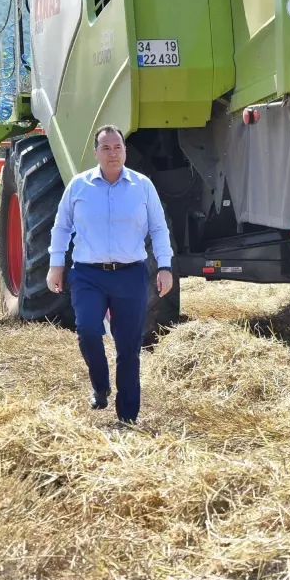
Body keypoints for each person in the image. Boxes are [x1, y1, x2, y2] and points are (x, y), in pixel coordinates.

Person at [47, 125, 173, 425]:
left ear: (125, 151)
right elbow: (61, 227)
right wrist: (55, 264)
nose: (112, 153)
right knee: (88, 330)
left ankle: (127, 415)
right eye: (106, 148)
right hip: (88, 275)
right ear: (96, 153)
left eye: (117, 147)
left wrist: (165, 267)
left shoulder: (143, 187)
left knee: (129, 347)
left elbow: (158, 228)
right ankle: (100, 386)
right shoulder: (78, 186)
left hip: (130, 276)